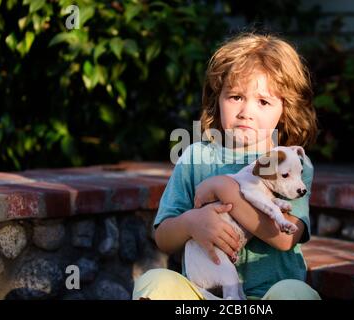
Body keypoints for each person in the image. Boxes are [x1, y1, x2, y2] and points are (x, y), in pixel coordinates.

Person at [133, 32, 320, 300]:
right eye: (235, 97)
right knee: (154, 282)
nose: (246, 111)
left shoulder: (292, 163)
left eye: (263, 101)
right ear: (217, 99)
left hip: (267, 298)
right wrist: (191, 223)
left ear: (285, 109)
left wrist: (225, 188)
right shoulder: (197, 157)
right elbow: (163, 236)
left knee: (297, 294)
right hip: (203, 296)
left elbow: (285, 238)